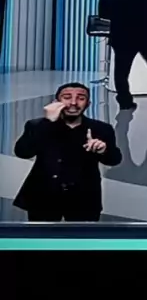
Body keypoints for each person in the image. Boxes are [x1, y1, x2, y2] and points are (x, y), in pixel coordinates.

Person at [13, 83, 122, 222]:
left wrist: (103, 150)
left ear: (88, 104)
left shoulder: (101, 128)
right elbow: (23, 152)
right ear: (56, 102)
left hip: (84, 198)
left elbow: (115, 160)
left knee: (82, 235)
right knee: (42, 235)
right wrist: (48, 122)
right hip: (43, 196)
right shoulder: (36, 125)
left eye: (81, 98)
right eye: (67, 97)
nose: (73, 103)